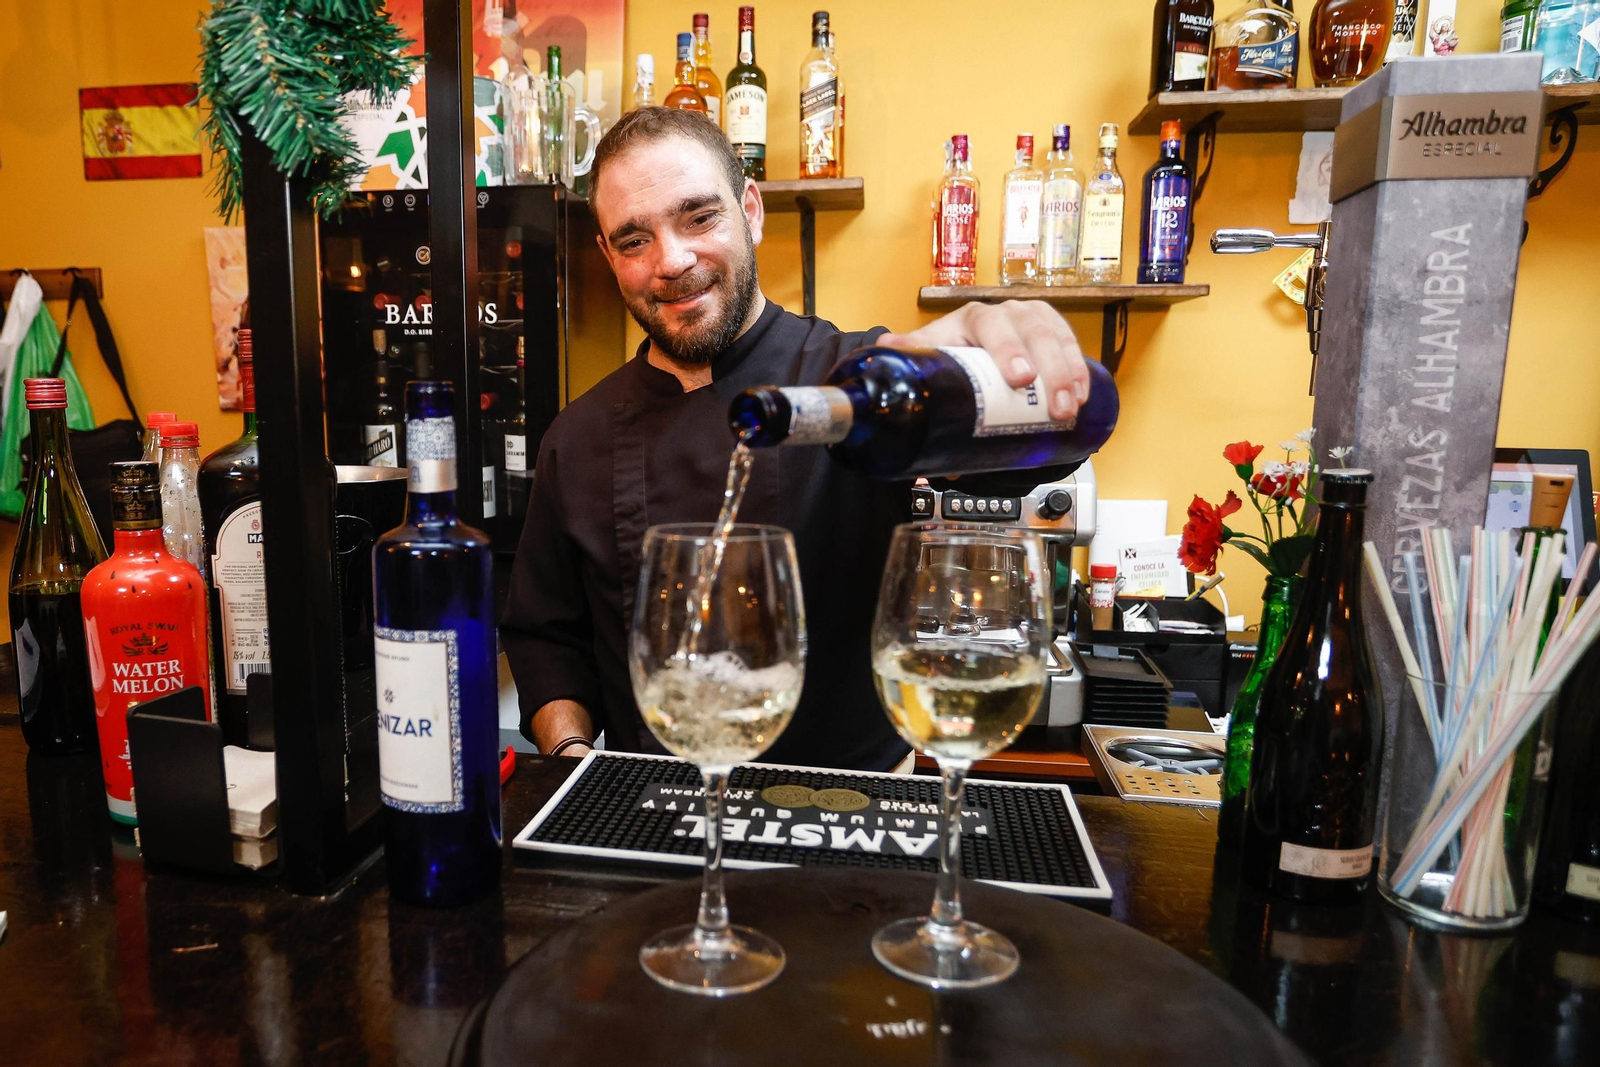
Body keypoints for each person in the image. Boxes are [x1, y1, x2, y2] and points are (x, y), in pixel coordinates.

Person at [501, 107, 1093, 771]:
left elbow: (1049, 444)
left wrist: (1007, 368)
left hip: (855, 817)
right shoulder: (575, 438)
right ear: (609, 255)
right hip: (655, 819)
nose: (672, 259)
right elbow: (547, 640)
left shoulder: (860, 383)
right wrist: (574, 756)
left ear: (750, 210)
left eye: (699, 217)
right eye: (634, 240)